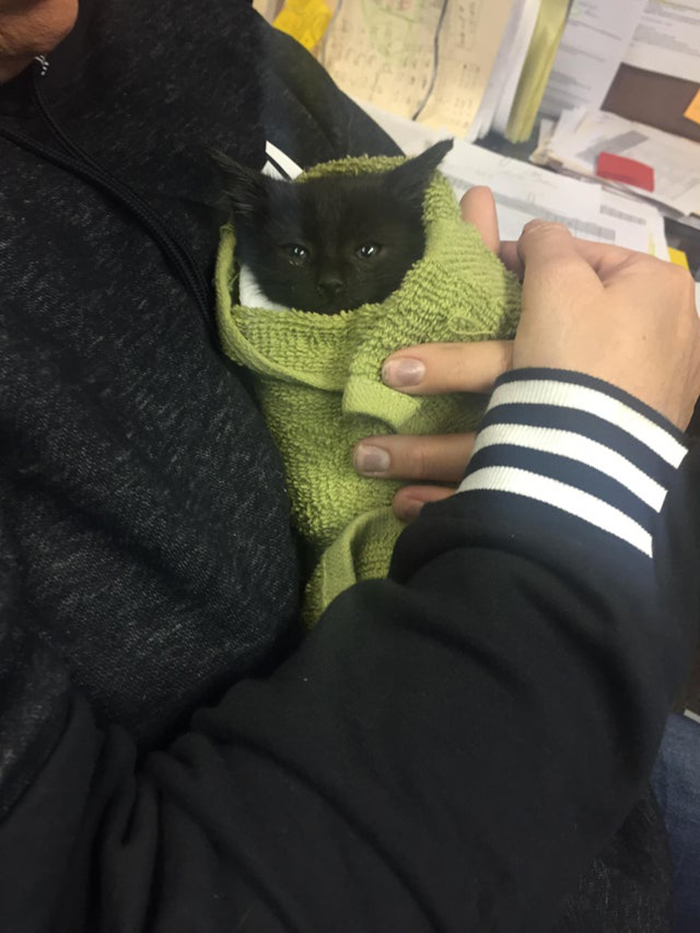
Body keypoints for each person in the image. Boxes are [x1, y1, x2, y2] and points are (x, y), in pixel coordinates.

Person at [0, 1, 698, 930]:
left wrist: (631, 419)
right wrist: (593, 463)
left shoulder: (176, 26)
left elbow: (463, 264)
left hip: (597, 731)